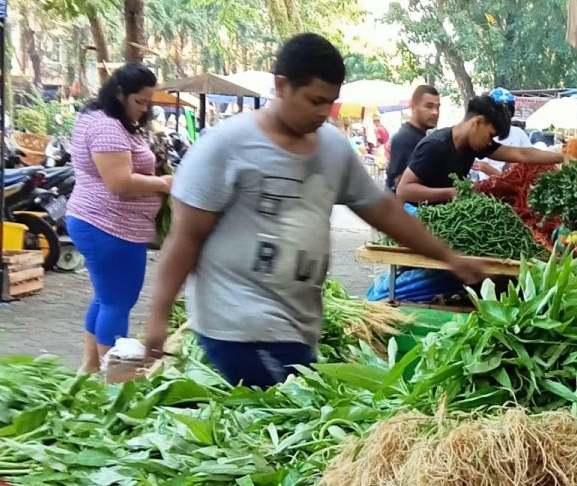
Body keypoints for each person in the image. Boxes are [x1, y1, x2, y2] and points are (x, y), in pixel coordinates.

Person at [140, 34, 487, 387]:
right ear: (282, 86)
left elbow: (383, 210)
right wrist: (157, 317)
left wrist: (448, 256)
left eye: (331, 102)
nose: (324, 113)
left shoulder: (332, 148)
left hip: (297, 326)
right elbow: (186, 238)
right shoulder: (225, 147)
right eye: (315, 100)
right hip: (238, 324)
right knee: (289, 421)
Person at [67, 62, 173, 374]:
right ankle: (113, 379)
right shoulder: (106, 127)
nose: (143, 109)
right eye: (139, 101)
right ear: (119, 93)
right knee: (117, 302)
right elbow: (120, 183)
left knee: (105, 298)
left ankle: (89, 368)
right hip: (109, 226)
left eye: (147, 102)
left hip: (101, 223)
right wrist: (164, 184)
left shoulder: (100, 119)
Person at [398, 92, 559, 204]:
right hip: (420, 220)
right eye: (490, 135)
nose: (490, 142)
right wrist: (450, 193)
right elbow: (404, 190)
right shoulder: (435, 146)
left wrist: (562, 157)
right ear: (477, 122)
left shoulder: (473, 145)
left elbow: (521, 153)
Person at [384, 84, 441, 191]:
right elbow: (396, 185)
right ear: (413, 106)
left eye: (437, 107)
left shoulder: (421, 137)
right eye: (429, 106)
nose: (435, 112)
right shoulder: (404, 139)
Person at [470, 87, 530, 181]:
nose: (505, 115)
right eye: (500, 112)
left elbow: (528, 156)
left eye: (508, 110)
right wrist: (507, 179)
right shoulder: (482, 133)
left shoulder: (519, 134)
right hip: (490, 185)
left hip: (516, 185)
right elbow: (483, 166)